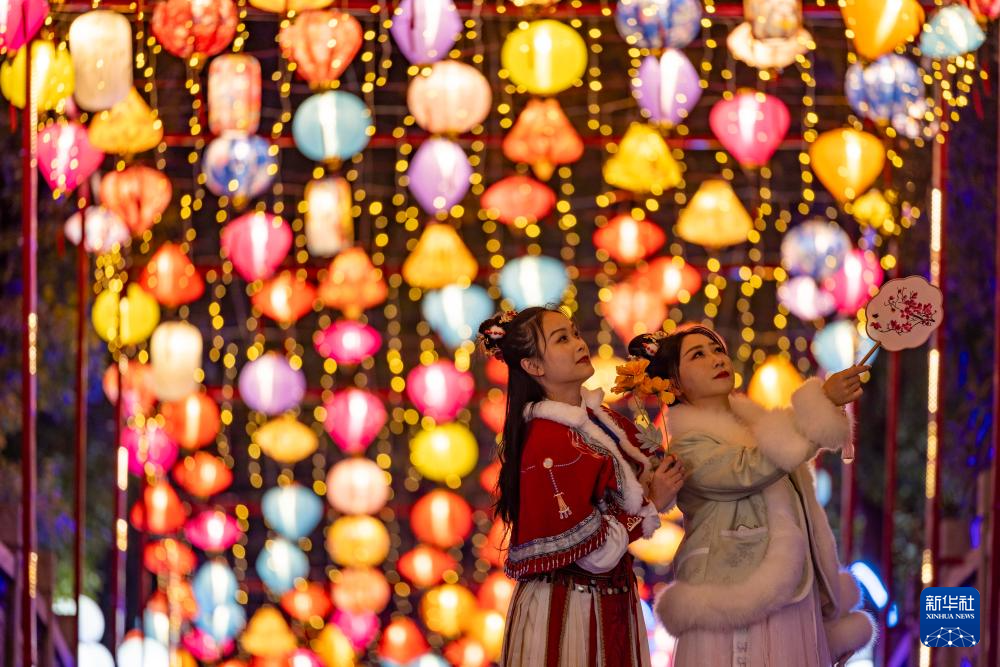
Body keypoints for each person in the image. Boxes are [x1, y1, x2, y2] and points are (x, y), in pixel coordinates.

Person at [626, 325, 874, 666]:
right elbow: (750, 468)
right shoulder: (688, 446)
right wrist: (821, 402)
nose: (716, 359)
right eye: (698, 355)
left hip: (790, 591)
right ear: (676, 385)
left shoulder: (761, 427)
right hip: (735, 597)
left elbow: (805, 514)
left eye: (717, 349)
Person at [477, 307, 684, 667]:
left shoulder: (600, 420)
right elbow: (594, 553)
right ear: (533, 366)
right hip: (569, 613)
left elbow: (649, 471)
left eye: (574, 333)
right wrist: (651, 501)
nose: (578, 343)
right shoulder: (548, 442)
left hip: (607, 604)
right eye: (562, 339)